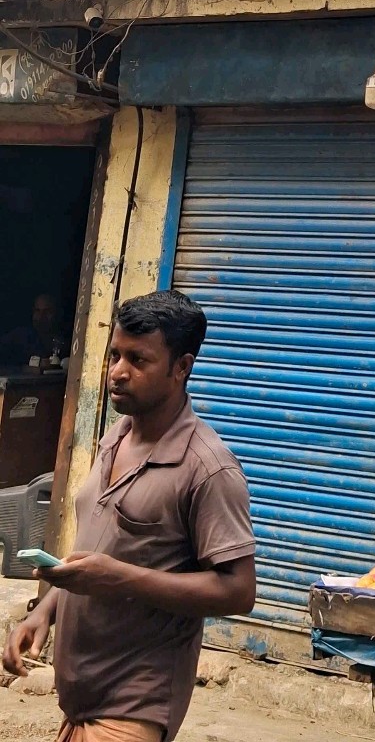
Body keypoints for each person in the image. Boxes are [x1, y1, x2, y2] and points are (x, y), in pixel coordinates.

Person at [2, 290, 256, 742]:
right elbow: (100, 552)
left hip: (134, 705)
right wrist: (46, 611)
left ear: (182, 367)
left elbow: (239, 591)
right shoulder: (116, 437)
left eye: (138, 360)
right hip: (83, 701)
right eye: (115, 355)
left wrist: (119, 578)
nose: (117, 372)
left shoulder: (207, 468)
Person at [0, 291, 65, 368]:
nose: (41, 316)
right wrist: (26, 368)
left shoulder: (67, 342)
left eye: (47, 311)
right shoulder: (19, 336)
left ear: (57, 313)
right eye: (37, 311)